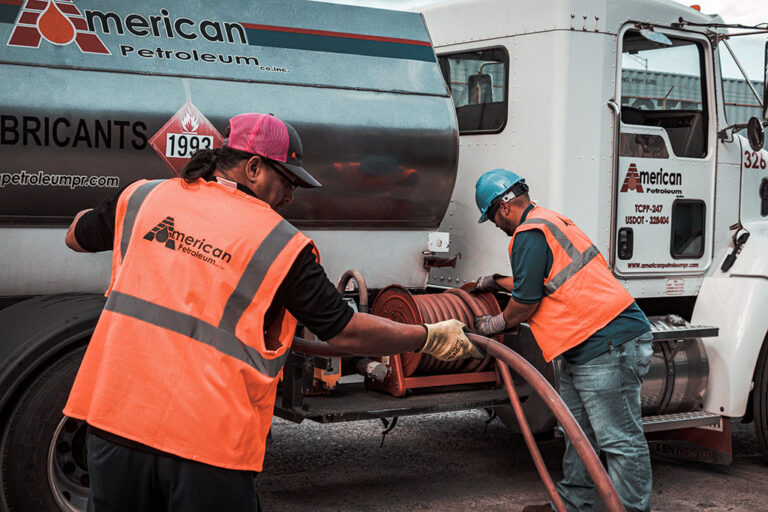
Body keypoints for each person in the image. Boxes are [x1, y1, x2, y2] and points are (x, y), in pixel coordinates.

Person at [63, 113, 482, 512]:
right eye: (287, 182)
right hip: (206, 442)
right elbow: (344, 330)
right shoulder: (278, 242)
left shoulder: (143, 197)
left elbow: (75, 236)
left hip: (114, 422)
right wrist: (427, 337)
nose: (290, 196)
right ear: (253, 169)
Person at [471, 169, 653, 512]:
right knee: (577, 435)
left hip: (607, 342)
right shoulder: (548, 221)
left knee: (620, 441)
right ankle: (572, 505)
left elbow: (526, 304)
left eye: (492, 217)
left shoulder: (529, 232)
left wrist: (491, 325)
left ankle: (628, 509)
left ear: (504, 207)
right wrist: (497, 282)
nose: (495, 225)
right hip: (584, 345)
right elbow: (549, 280)